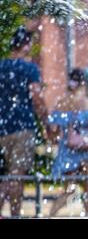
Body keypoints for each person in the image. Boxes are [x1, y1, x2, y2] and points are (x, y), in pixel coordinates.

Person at [0, 27, 47, 217]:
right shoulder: (29, 68)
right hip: (22, 128)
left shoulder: (2, 66)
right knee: (17, 175)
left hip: (1, 127)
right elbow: (36, 96)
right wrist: (46, 121)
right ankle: (15, 214)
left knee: (3, 176)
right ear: (26, 45)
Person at [47, 69, 88, 217]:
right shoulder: (85, 102)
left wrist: (56, 140)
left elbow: (52, 130)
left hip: (68, 151)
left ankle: (51, 214)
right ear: (83, 83)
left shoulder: (61, 102)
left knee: (70, 190)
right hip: (87, 151)